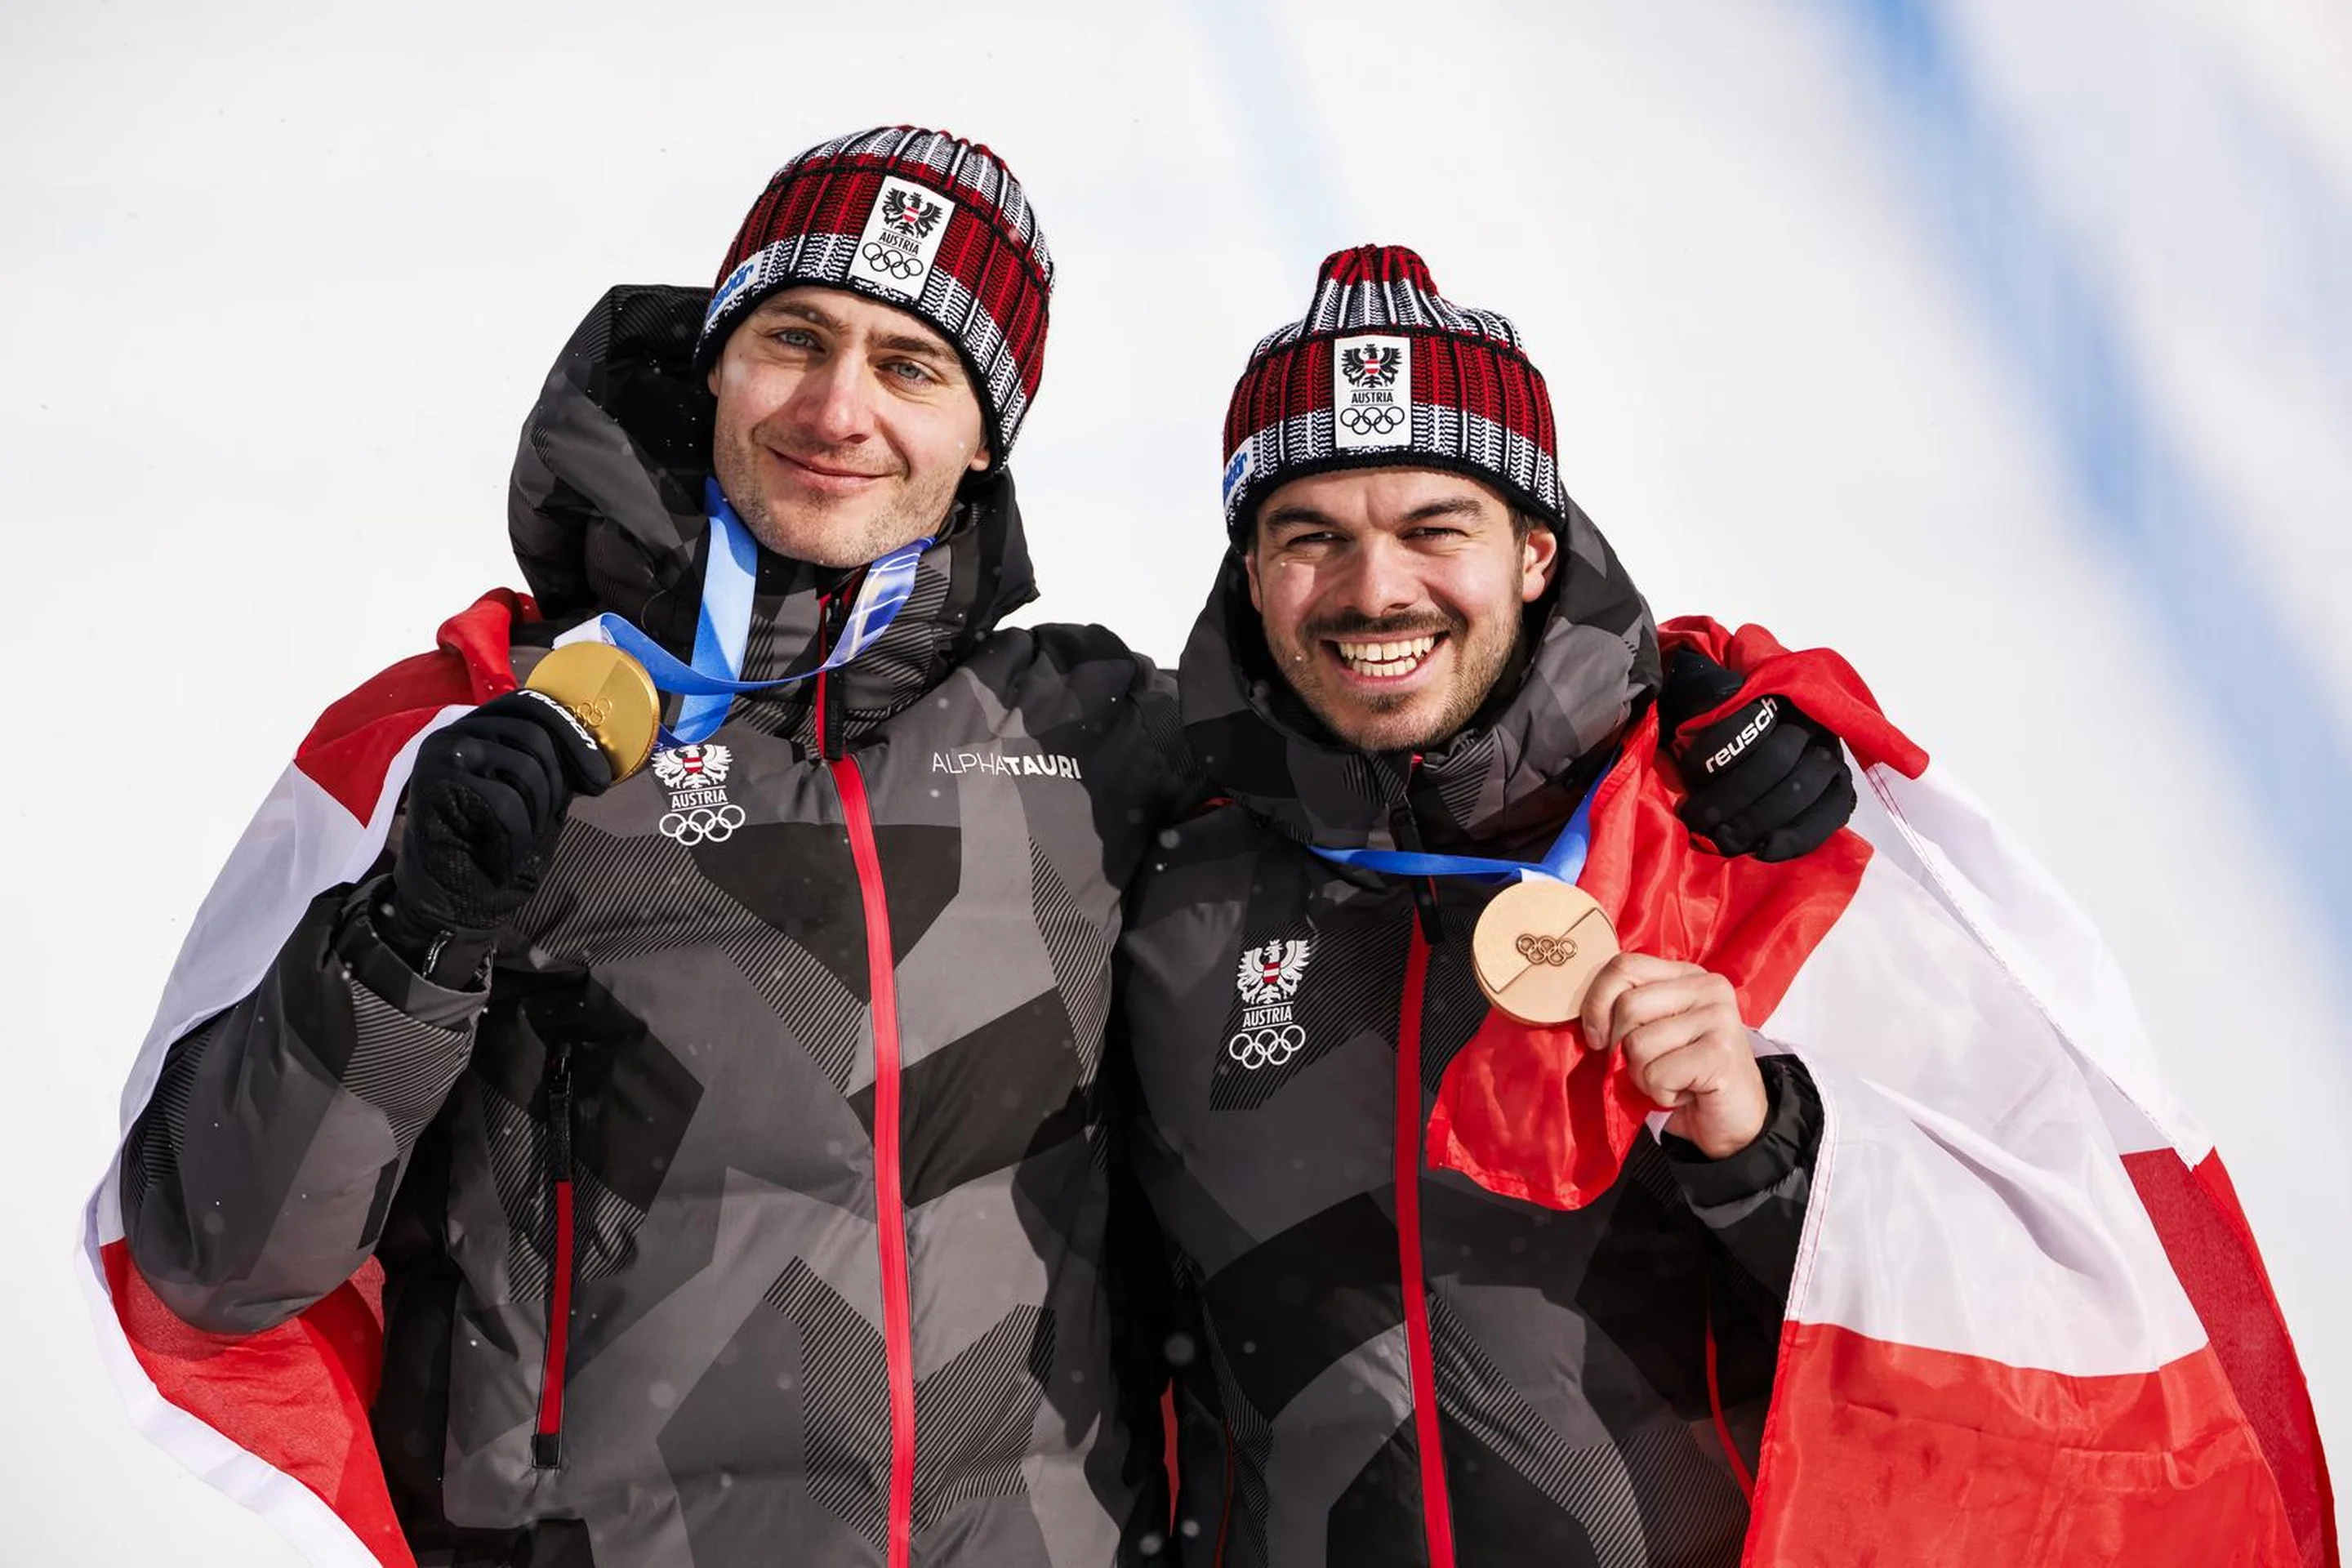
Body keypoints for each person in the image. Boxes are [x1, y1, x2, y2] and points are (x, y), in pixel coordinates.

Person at [78, 136, 1855, 1565]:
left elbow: (1396, 762)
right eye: (795, 339)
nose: (840, 406)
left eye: (912, 363)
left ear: (984, 430)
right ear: (715, 367)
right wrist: (411, 931)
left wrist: (1698, 705)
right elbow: (217, 1258)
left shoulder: (1093, 744)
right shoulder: (492, 731)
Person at [1116, 245, 2329, 1566]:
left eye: (1433, 528)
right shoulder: (1173, 874)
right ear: (1250, 572)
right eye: (1312, 537)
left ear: (1533, 552)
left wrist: (1774, 1143)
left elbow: (2057, 1286)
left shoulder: (1739, 834)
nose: (1374, 591)